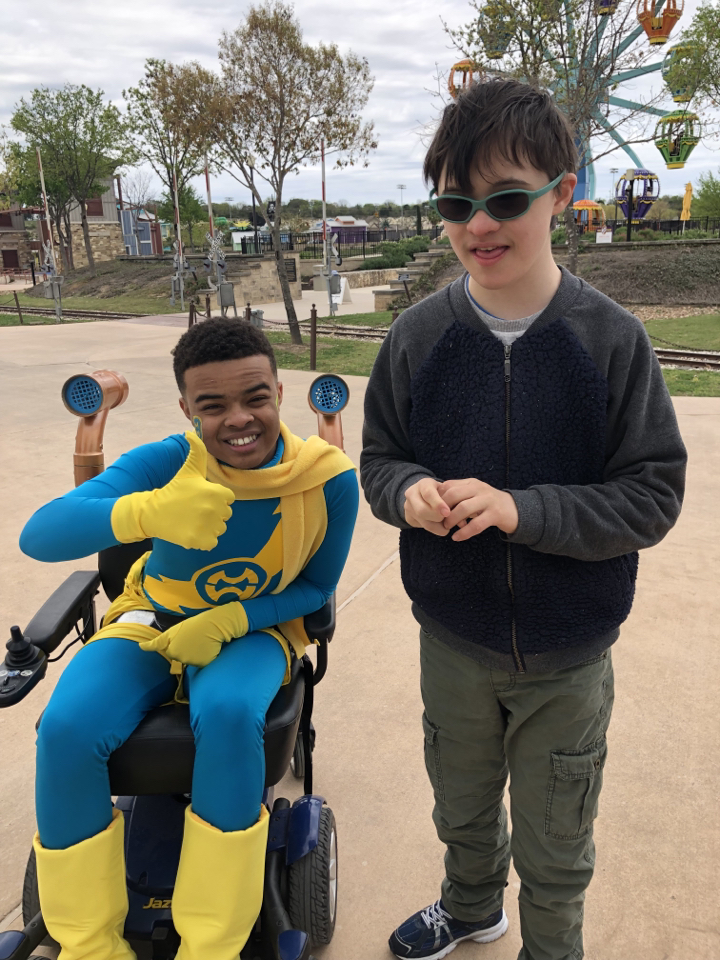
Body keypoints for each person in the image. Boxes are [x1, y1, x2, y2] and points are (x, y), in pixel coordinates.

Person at [360, 78, 686, 960]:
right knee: (459, 803)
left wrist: (521, 511)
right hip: (452, 640)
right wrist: (408, 494)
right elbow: (379, 462)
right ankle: (471, 907)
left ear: (564, 193)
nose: (478, 225)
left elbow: (654, 493)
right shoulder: (417, 337)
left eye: (506, 198)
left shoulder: (612, 339)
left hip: (568, 655)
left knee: (556, 841)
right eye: (455, 203)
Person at [20, 318, 358, 960]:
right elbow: (40, 535)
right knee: (65, 726)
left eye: (255, 396)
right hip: (153, 617)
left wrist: (232, 619)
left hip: (252, 628)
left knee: (229, 715)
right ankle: (90, 945)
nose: (239, 419)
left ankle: (212, 944)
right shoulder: (169, 462)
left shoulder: (328, 478)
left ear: (279, 393)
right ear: (185, 408)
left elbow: (316, 588)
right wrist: (143, 511)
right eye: (213, 405)